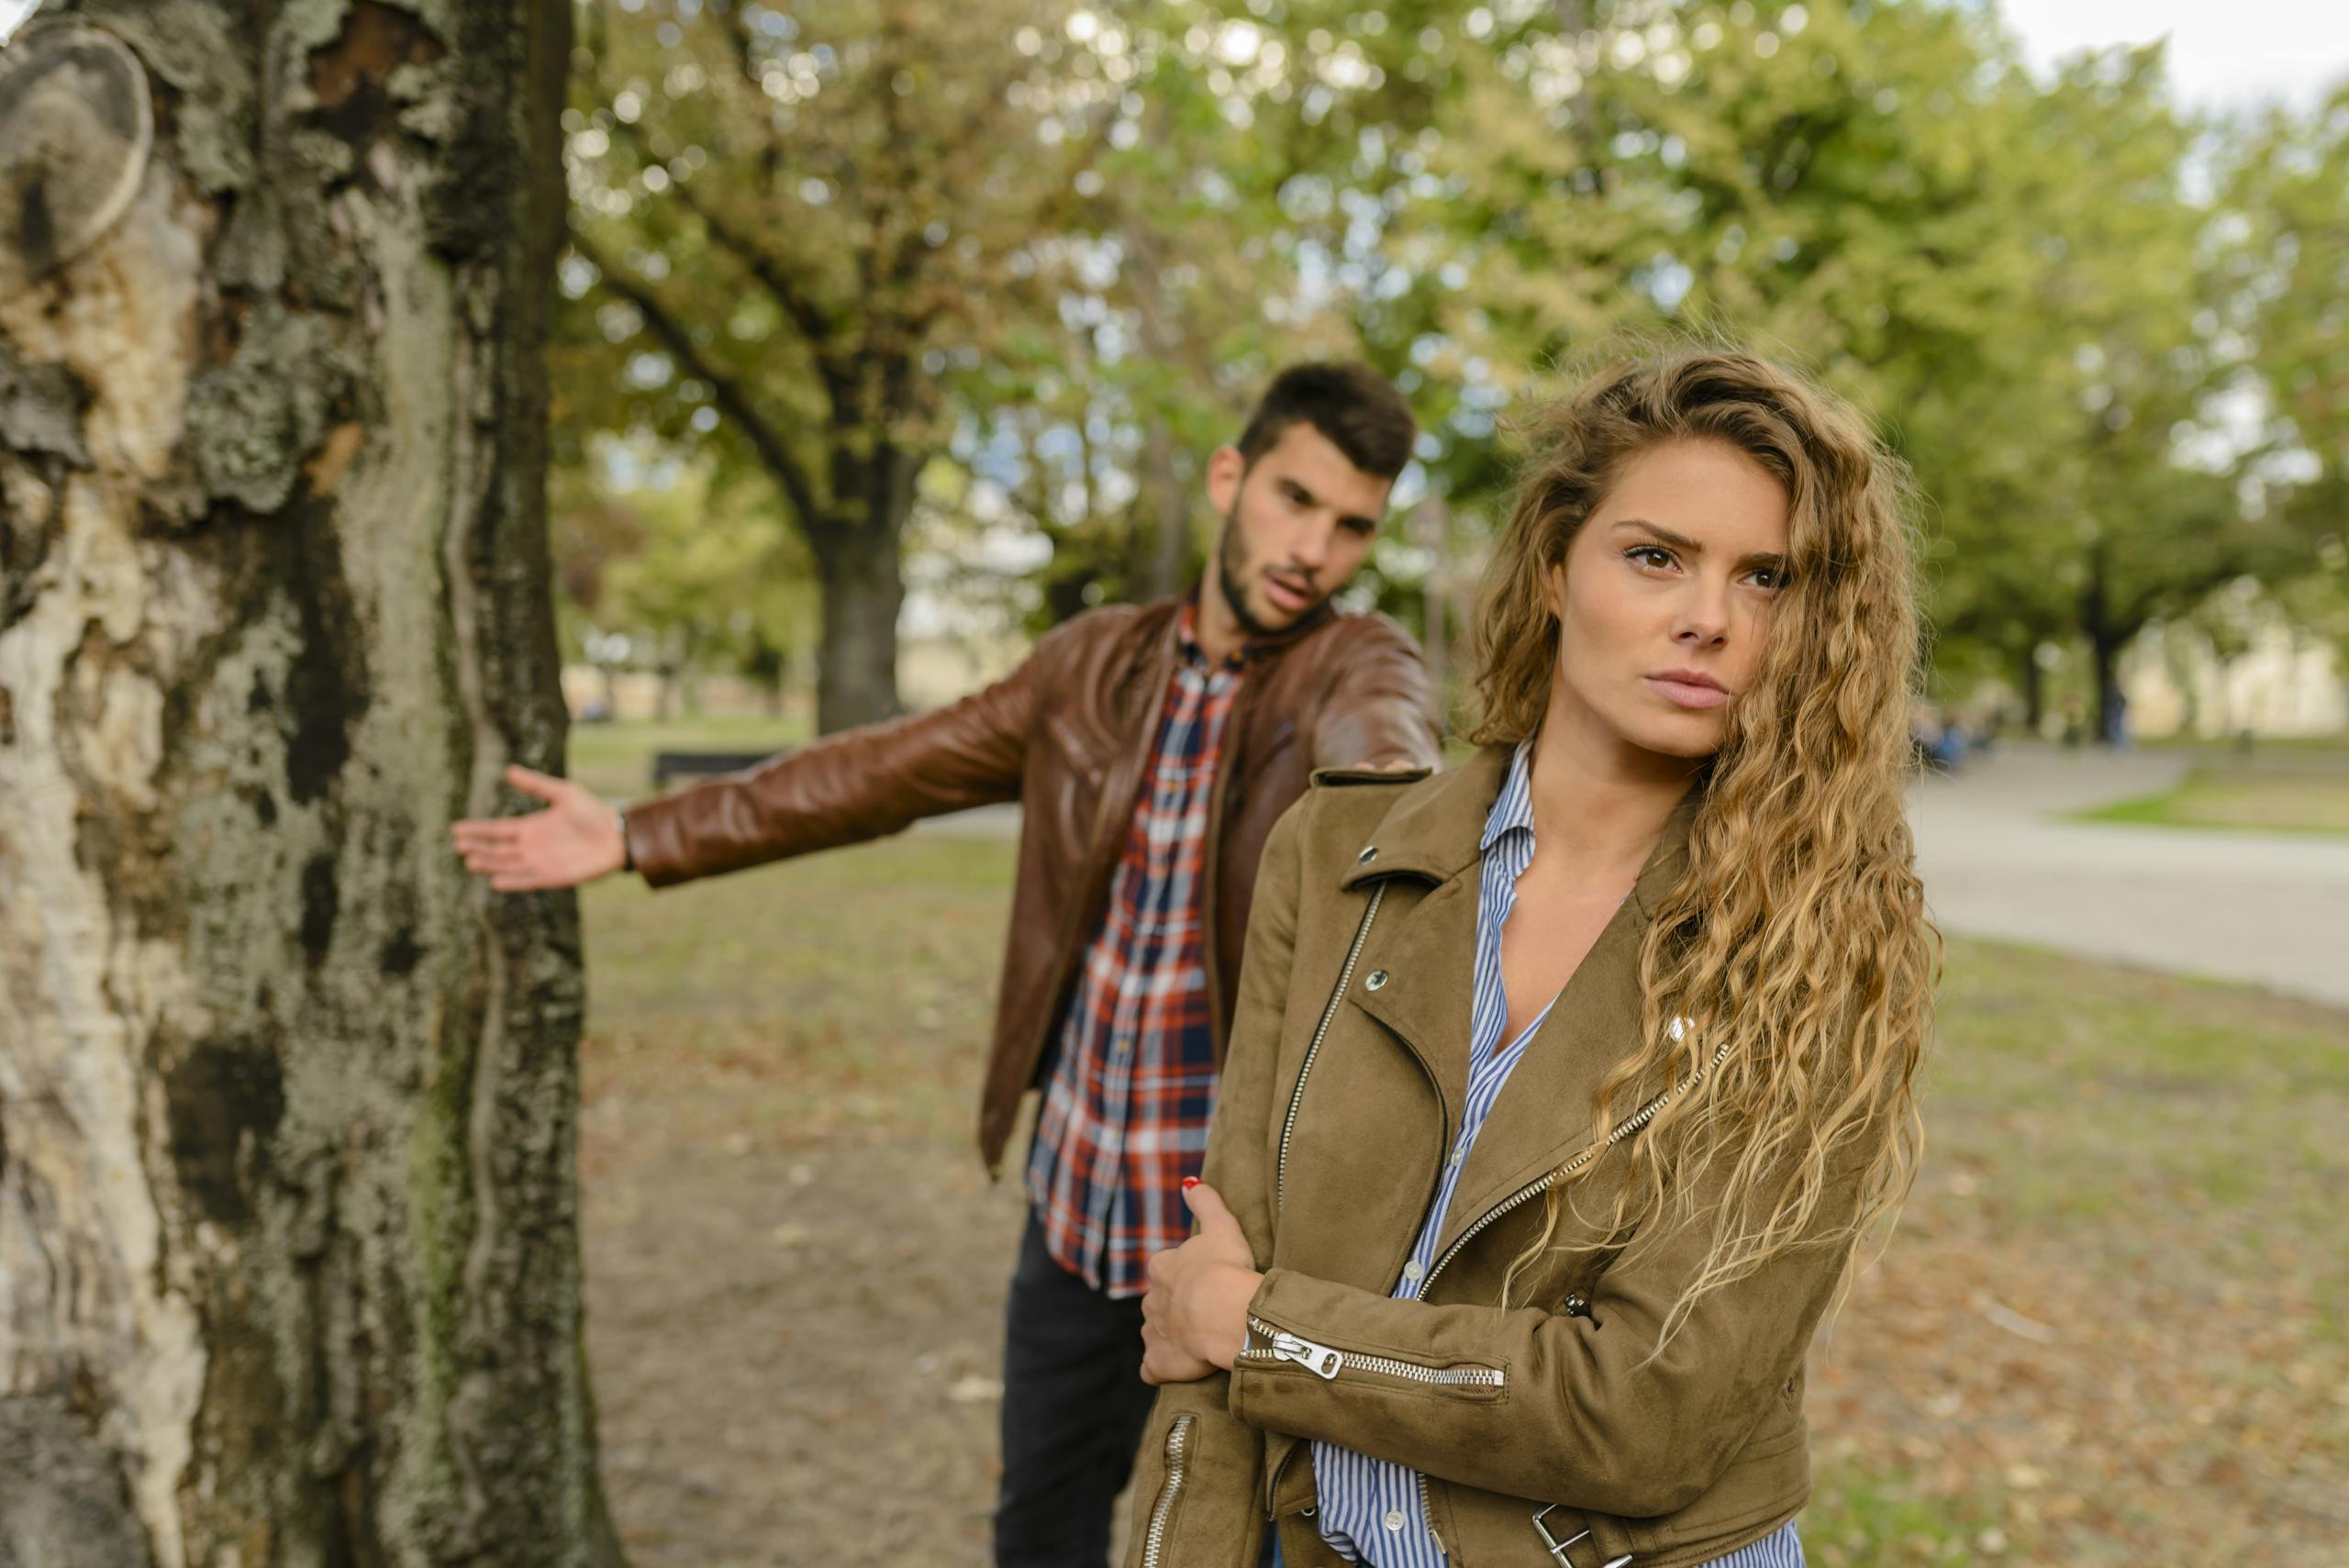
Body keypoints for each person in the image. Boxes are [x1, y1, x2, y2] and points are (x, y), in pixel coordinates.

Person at [449, 362, 1442, 1568]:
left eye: (1351, 528)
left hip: (1243, 1241)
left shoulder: (1355, 665)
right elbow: (882, 770)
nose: (1314, 550)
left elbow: (1383, 776)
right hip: (1078, 1207)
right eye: (1296, 500)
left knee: (1260, 1545)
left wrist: (1399, 821)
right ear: (1231, 478)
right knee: (1041, 1527)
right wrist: (635, 832)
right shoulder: (1088, 664)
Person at [1125, 349, 1934, 1568]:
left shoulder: (1829, 943)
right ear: (1557, 569)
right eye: (1655, 556)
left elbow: (1640, 1413)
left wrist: (1268, 1332)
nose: (1706, 618)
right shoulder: (1332, 854)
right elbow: (1207, 1310)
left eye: (1766, 577)